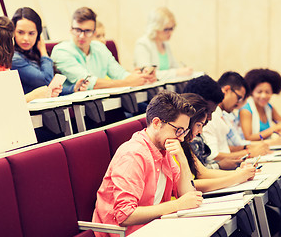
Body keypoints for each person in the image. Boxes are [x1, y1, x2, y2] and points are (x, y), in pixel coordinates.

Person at [92, 91, 203, 236]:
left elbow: (188, 195)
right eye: (178, 130)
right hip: (126, 233)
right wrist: (177, 205)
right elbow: (125, 215)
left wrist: (181, 158)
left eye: (184, 131)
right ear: (157, 123)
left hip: (153, 227)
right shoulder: (133, 154)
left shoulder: (164, 149)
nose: (181, 138)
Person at [52, 7, 156, 91]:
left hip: (104, 102)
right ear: (71, 30)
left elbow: (120, 74)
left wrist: (142, 77)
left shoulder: (100, 47)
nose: (82, 36)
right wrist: (129, 82)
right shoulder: (61, 51)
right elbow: (88, 83)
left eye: (87, 31)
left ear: (94, 33)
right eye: (78, 30)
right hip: (79, 108)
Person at [180, 93, 256, 192]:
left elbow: (202, 172)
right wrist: (237, 177)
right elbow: (191, 184)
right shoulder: (174, 145)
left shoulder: (184, 144)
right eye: (198, 125)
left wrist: (241, 173)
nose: (200, 131)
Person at [11, 7, 88, 96]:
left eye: (31, 33)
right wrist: (43, 52)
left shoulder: (33, 53)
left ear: (38, 35)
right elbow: (46, 81)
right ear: (13, 32)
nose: (26, 38)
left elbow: (48, 89)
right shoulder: (14, 58)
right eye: (20, 32)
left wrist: (73, 88)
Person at [202, 71, 270, 170]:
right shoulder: (211, 115)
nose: (238, 104)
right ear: (227, 90)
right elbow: (213, 155)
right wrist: (248, 153)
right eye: (238, 98)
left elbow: (226, 147)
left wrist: (247, 150)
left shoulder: (221, 113)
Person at [0, 15, 52, 103]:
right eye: (11, 39)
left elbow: (11, 100)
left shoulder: (2, 64)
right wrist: (32, 96)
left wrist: (43, 94)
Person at [134, 7, 193, 80]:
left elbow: (175, 68)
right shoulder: (142, 44)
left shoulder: (165, 44)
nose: (170, 33)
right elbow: (147, 75)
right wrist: (176, 72)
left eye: (172, 28)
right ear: (155, 27)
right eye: (166, 29)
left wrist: (184, 71)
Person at [240, 68, 281, 141]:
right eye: (259, 92)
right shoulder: (246, 110)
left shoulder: (269, 107)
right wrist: (275, 128)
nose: (263, 96)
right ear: (252, 92)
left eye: (267, 92)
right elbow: (248, 138)